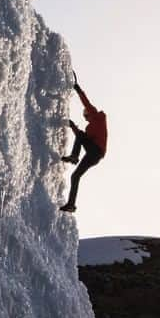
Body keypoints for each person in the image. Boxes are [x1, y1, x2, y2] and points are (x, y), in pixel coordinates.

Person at [60, 73, 108, 213]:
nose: (86, 119)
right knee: (75, 176)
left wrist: (77, 88)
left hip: (96, 151)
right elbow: (82, 138)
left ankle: (74, 157)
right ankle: (71, 204)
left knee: (81, 136)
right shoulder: (90, 127)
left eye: (86, 116)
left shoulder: (97, 117)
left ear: (88, 113)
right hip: (94, 155)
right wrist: (73, 126)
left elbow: (86, 102)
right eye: (85, 117)